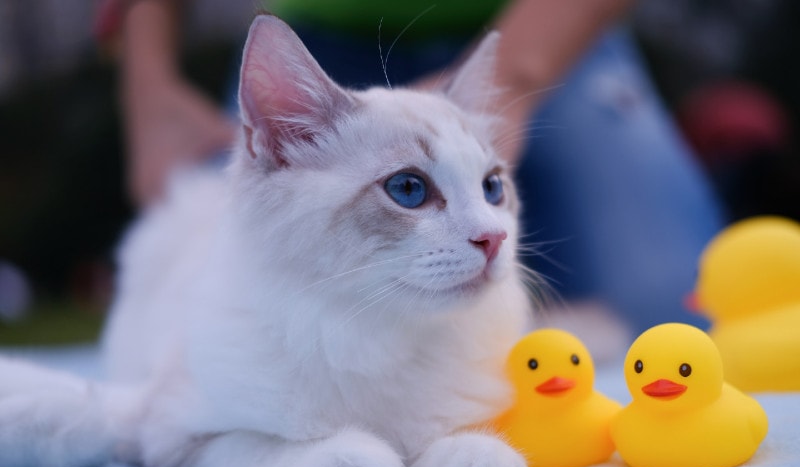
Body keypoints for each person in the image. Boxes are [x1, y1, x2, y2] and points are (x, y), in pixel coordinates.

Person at [110, 0, 724, 335]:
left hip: (538, 29)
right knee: (222, 275)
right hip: (310, 50)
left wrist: (513, 76)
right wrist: (148, 87)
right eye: (409, 187)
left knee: (671, 320)